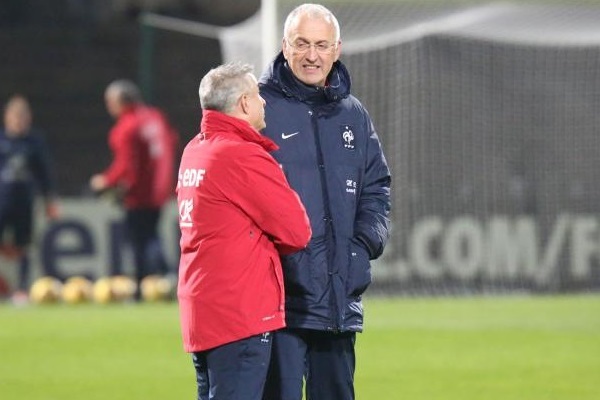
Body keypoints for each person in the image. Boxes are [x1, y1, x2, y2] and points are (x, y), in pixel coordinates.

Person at [258, 4, 392, 399]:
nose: (311, 55)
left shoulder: (353, 114)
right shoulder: (258, 109)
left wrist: (361, 247)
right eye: (302, 44)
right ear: (285, 46)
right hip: (277, 301)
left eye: (321, 45)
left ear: (337, 49)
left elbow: (377, 187)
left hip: (336, 300)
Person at [176, 62, 312, 400]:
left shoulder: (195, 150)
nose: (264, 102)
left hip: (204, 308)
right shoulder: (241, 155)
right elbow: (297, 231)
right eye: (257, 95)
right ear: (243, 104)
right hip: (240, 313)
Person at [89, 79, 179, 298]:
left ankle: (154, 281)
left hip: (139, 193)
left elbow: (126, 165)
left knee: (142, 239)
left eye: (110, 101)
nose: (109, 107)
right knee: (150, 235)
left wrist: (105, 181)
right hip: (160, 188)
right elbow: (171, 142)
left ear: (121, 101)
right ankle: (157, 281)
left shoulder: (127, 127)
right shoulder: (155, 117)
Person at [0, 94, 59, 304]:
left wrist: (49, 200)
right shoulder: (2, 141)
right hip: (1, 202)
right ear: (7, 117)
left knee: (23, 247)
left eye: (23, 116)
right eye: (15, 116)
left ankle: (22, 290)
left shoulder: (34, 142)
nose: (19, 120)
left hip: (24, 203)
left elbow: (45, 174)